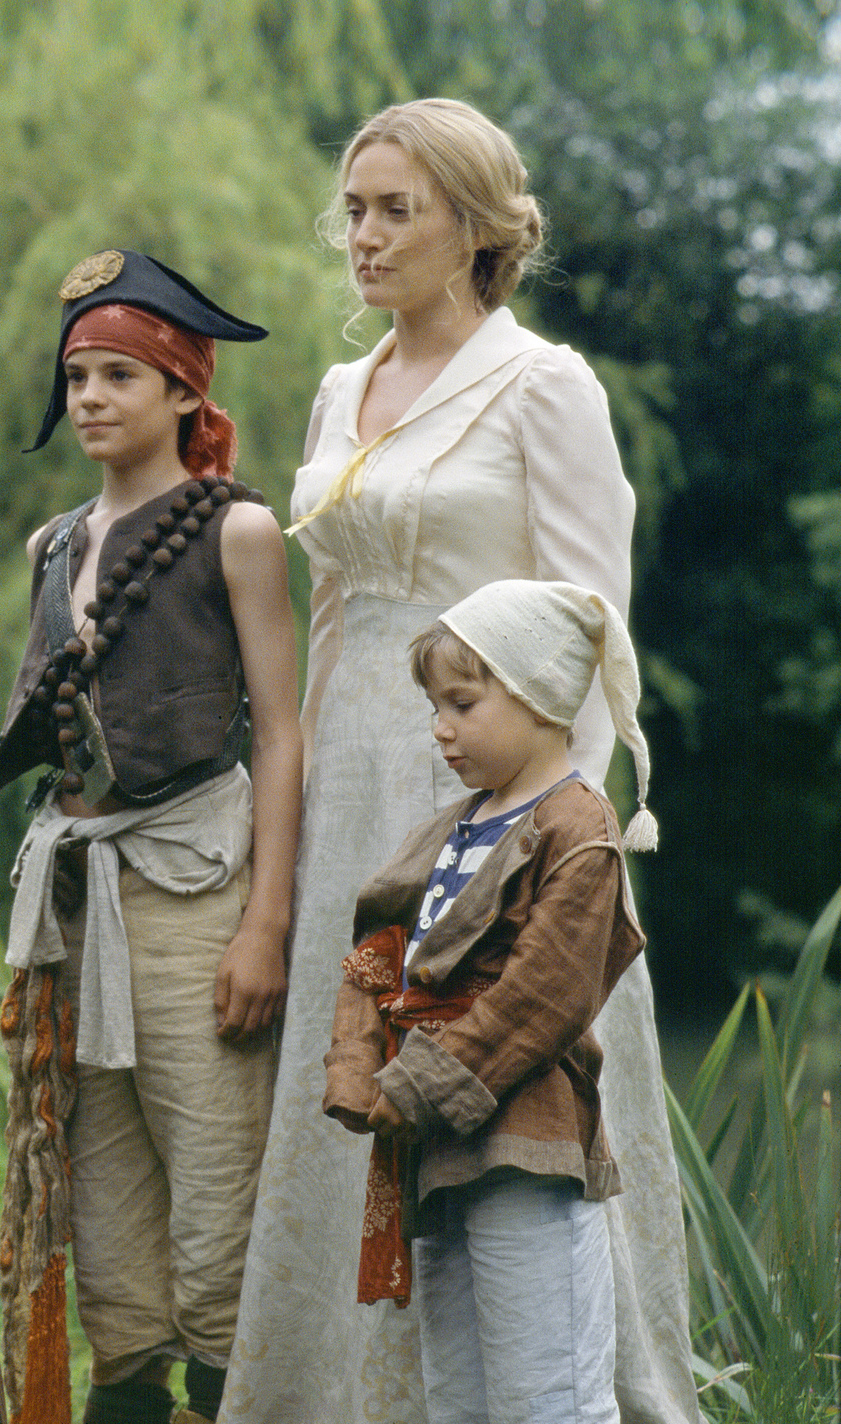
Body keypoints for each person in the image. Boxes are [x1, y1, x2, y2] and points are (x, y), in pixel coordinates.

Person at [224, 98, 701, 1422]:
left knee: (501, 1090)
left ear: (477, 231)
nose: (363, 238)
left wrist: (562, 842)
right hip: (357, 793)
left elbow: (589, 637)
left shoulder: (545, 384)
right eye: (356, 210)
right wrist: (296, 841)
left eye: (397, 211)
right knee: (359, 1077)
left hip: (493, 788)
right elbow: (323, 629)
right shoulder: (339, 389)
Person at [0, 251, 300, 1424]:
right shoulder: (50, 546)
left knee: (216, 1192)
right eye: (75, 376)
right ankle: (124, 1387)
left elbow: (278, 735)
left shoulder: (238, 530)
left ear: (183, 392)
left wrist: (263, 924)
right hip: (76, 905)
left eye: (120, 373)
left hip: (194, 888)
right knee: (106, 1214)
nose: (90, 398)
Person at [324, 579, 659, 1424]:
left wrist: (415, 1085)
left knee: (548, 1393)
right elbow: (378, 953)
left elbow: (543, 995)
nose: (440, 727)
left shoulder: (578, 828)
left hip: (524, 1139)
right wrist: (358, 1064)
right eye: (436, 704)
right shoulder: (453, 828)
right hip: (436, 1146)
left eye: (462, 703)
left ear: (539, 694)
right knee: (461, 1395)